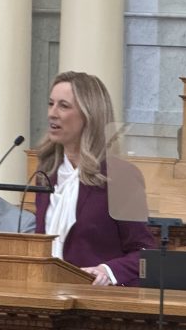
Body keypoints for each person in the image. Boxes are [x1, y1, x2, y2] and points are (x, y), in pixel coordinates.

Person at [34, 71, 155, 286]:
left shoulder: (120, 177)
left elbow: (144, 252)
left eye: (64, 106)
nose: (52, 113)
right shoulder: (47, 173)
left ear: (89, 114)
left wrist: (107, 271)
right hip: (46, 296)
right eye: (50, 104)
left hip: (94, 301)